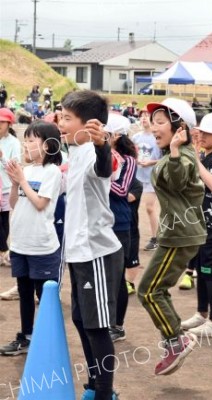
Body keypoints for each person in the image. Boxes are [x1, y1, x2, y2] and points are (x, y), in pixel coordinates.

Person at [58, 90, 122, 399]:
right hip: (79, 252)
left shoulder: (94, 151)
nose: (61, 123)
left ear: (90, 124)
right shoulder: (74, 151)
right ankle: (95, 384)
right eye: (61, 116)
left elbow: (104, 167)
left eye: (67, 118)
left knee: (97, 327)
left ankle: (104, 393)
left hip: (96, 252)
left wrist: (102, 144)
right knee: (81, 320)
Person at [137, 98, 206, 376]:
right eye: (153, 121)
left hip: (180, 234)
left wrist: (176, 150)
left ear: (180, 128)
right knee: (155, 289)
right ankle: (174, 339)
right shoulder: (175, 154)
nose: (155, 127)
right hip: (177, 233)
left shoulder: (184, 155)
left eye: (162, 121)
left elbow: (177, 180)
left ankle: (177, 340)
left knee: (148, 290)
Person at [0, 121, 62, 356]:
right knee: (24, 293)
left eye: (31, 141)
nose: (26, 145)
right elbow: (14, 203)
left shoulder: (52, 172)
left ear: (48, 146)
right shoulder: (27, 170)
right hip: (21, 244)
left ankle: (49, 341)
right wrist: (16, 183)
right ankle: (26, 337)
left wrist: (22, 181)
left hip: (42, 246)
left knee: (44, 296)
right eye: (25, 140)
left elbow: (39, 204)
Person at [180, 113, 212, 337]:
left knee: (210, 271)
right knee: (201, 269)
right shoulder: (202, 155)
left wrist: (196, 161)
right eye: (201, 132)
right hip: (197, 222)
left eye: (208, 134)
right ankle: (201, 313)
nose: (202, 136)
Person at [105, 114, 137, 343]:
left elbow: (122, 189)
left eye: (107, 134)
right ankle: (107, 321)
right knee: (105, 276)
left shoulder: (128, 160)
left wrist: (102, 178)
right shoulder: (100, 155)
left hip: (120, 223)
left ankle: (118, 325)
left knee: (117, 278)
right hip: (102, 222)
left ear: (115, 136)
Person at [132, 108, 162, 252]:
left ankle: (155, 238)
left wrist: (151, 162)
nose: (144, 118)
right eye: (142, 116)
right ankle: (132, 237)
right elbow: (130, 155)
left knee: (150, 207)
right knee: (133, 208)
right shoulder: (136, 137)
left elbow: (163, 159)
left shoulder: (158, 137)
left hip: (151, 177)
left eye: (147, 116)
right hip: (137, 176)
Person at [0, 108, 22, 266]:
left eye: (2, 122)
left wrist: (2, 157)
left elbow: (15, 165)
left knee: (4, 220)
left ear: (9, 124)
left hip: (7, 186)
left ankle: (2, 252)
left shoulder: (14, 143)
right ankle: (3, 249)